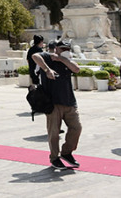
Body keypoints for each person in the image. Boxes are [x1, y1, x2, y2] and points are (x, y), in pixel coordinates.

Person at [33, 39, 82, 169]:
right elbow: (35, 56)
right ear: (56, 49)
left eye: (67, 49)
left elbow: (77, 69)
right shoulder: (48, 57)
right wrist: (47, 69)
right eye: (62, 49)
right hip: (52, 103)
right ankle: (54, 158)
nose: (65, 51)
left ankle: (67, 152)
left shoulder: (68, 61)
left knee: (76, 128)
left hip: (69, 102)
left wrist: (62, 59)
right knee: (54, 132)